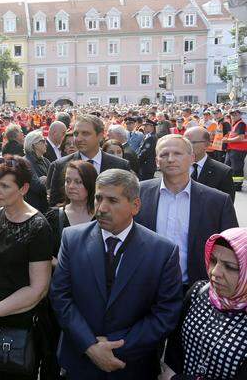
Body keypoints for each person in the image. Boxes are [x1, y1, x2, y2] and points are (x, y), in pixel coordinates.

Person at [50, 169, 183, 379]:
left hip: (132, 365)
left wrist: (116, 346)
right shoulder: (72, 239)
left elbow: (166, 313)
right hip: (80, 361)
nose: (102, 208)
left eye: (112, 200)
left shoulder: (163, 251)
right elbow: (61, 297)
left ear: (135, 205)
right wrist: (90, 346)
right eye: (98, 198)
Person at [0, 155, 52, 380]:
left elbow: (38, 289)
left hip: (18, 324)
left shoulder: (38, 226)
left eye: (5, 185)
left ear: (24, 188)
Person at [134, 134, 238, 288]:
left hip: (197, 289)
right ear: (157, 161)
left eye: (177, 153)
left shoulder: (218, 201)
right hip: (145, 287)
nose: (170, 159)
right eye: (164, 154)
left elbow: (232, 249)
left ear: (192, 158)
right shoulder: (138, 193)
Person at [165, 228, 247, 379]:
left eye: (230, 267)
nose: (215, 272)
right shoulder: (199, 291)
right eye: (213, 260)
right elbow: (174, 347)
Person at [47, 115, 130, 207]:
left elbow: (126, 201)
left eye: (85, 133)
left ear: (100, 136)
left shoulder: (120, 165)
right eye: (76, 134)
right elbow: (55, 205)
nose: (78, 139)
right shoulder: (60, 165)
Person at [46, 160, 97, 255]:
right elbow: (44, 254)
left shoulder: (101, 217)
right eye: (67, 181)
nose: (71, 186)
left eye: (78, 182)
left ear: (90, 184)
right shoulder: (54, 216)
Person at [185, 126, 235, 201]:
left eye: (191, 142)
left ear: (206, 144)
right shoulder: (175, 167)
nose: (186, 146)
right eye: (184, 142)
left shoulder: (223, 172)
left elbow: (227, 206)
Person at [23, 130, 50, 213]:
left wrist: (45, 179)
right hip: (34, 209)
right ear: (34, 144)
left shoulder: (46, 161)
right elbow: (37, 187)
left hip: (47, 206)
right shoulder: (25, 162)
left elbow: (56, 181)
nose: (46, 144)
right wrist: (47, 181)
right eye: (43, 141)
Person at [223, 109, 246, 192]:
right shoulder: (236, 124)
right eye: (232, 115)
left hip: (238, 149)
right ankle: (232, 184)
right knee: (229, 166)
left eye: (235, 114)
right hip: (233, 149)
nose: (233, 116)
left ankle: (237, 186)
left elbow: (241, 137)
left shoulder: (241, 124)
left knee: (236, 168)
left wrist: (227, 140)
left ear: (239, 115)